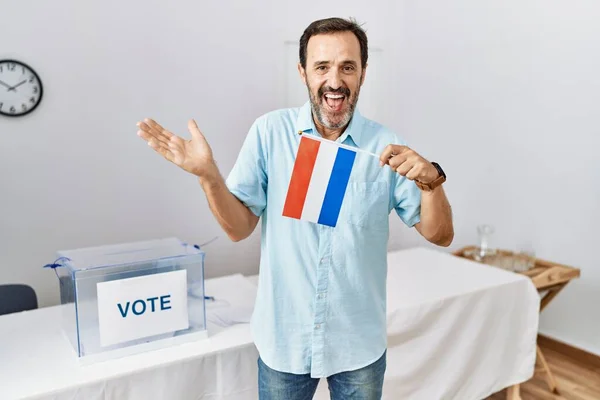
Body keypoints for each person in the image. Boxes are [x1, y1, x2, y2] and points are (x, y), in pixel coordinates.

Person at [137, 16, 453, 400]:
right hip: (284, 338)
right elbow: (239, 228)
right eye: (322, 66)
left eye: (347, 67)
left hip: (358, 342)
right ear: (303, 72)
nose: (335, 81)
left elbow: (440, 234)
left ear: (363, 73)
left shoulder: (386, 145)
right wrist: (208, 175)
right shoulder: (270, 133)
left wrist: (430, 181)